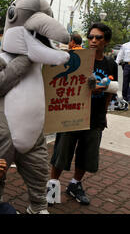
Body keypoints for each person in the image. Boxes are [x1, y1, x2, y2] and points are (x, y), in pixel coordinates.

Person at [48, 23, 118, 206]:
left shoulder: (111, 64)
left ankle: (75, 184)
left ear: (107, 41)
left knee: (87, 154)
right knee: (62, 151)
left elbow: (111, 89)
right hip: (73, 113)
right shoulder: (76, 58)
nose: (94, 41)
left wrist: (103, 113)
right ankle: (52, 186)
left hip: (95, 117)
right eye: (91, 37)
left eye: (99, 37)